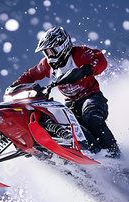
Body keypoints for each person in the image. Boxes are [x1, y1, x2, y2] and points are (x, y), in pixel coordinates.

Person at [10, 26, 121, 157]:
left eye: (53, 50)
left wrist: (86, 70)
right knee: (69, 127)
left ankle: (114, 154)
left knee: (91, 118)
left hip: (91, 97)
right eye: (47, 52)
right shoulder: (46, 65)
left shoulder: (80, 54)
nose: (50, 55)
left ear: (64, 46)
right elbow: (29, 75)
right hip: (71, 103)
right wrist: (15, 86)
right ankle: (82, 154)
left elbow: (100, 59)